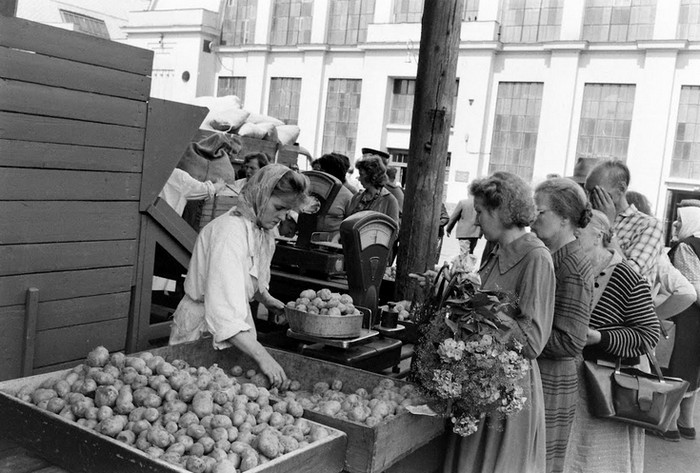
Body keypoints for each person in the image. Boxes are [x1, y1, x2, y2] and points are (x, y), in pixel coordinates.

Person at [443, 172, 555, 473]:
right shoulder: (495, 251)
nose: (476, 221)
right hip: (482, 385)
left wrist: (482, 309)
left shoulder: (536, 258)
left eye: (480, 212)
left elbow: (532, 341)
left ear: (501, 211)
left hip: (507, 395)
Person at [168, 164, 311, 387]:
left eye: (287, 211)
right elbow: (223, 312)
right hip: (203, 330)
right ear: (261, 195)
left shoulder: (259, 230)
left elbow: (244, 277)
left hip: (234, 330)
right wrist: (265, 357)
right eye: (279, 207)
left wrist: (267, 299)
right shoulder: (229, 233)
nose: (282, 217)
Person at [563, 210, 660, 473]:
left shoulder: (625, 276)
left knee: (597, 462)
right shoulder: (568, 266)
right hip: (570, 384)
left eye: (577, 233)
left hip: (606, 389)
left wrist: (601, 337)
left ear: (598, 236)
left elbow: (649, 333)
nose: (570, 239)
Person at [531, 178, 594, 473]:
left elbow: (570, 341)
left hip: (552, 380)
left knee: (540, 462)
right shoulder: (553, 257)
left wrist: (519, 337)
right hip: (543, 376)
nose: (533, 218)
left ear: (565, 218)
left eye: (540, 212)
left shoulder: (572, 266)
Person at [584, 160, 664, 282]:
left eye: (596, 192)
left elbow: (630, 275)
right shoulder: (587, 220)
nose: (589, 199)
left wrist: (608, 227)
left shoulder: (648, 225)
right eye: (587, 192)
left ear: (621, 189)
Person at [153, 169, 226, 292]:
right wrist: (219, 185)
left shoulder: (154, 172)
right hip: (166, 235)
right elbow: (204, 190)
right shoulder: (178, 176)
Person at [664, 201, 700, 441]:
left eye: (679, 219)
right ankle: (686, 423)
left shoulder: (686, 247)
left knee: (677, 365)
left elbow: (691, 286)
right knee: (693, 367)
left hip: (687, 314)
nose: (675, 224)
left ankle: (669, 425)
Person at [346, 156, 399, 224]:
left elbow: (394, 230)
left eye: (361, 174)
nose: (359, 179)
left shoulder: (390, 200)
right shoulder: (356, 197)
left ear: (373, 176)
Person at [315, 153, 354, 234]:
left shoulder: (348, 196)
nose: (318, 174)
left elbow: (349, 226)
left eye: (322, 170)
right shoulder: (312, 189)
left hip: (331, 242)